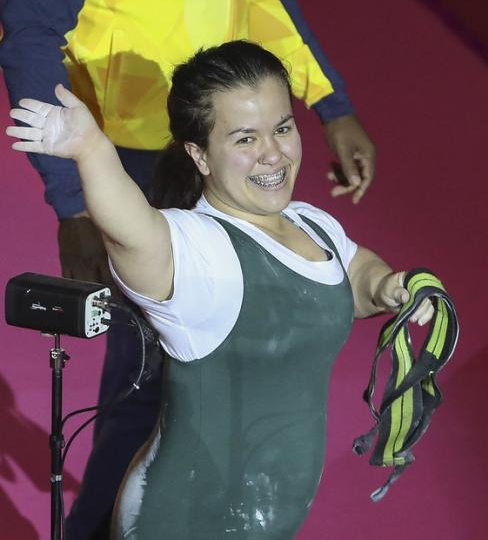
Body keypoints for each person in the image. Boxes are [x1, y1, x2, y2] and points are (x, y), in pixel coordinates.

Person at [7, 39, 430, 539]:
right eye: (245, 139)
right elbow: (132, 228)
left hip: (269, 523)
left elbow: (353, 275)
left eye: (282, 128)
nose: (272, 153)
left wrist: (390, 285)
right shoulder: (197, 248)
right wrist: (92, 151)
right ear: (200, 156)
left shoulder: (310, 225)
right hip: (179, 522)